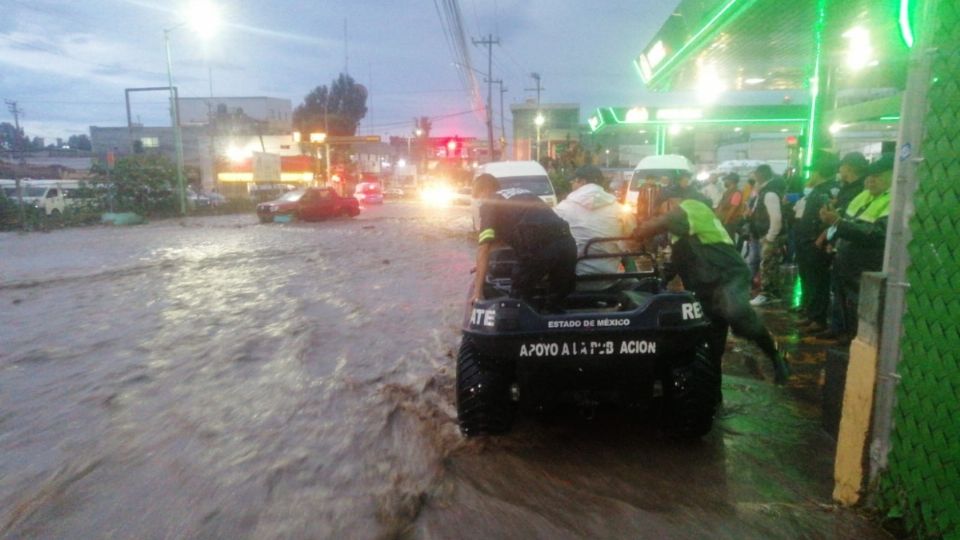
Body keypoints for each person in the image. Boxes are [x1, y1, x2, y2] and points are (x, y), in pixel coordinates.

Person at [633, 195, 791, 385]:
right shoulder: (682, 230)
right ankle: (714, 391)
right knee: (712, 340)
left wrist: (638, 231)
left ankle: (776, 356)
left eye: (665, 208)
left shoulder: (692, 205)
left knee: (737, 315)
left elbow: (664, 221)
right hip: (705, 285)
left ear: (673, 201)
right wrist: (660, 281)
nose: (665, 213)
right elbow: (677, 261)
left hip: (727, 274)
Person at [472, 173, 577, 310]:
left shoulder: (490, 202)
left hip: (537, 249)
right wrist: (482, 263)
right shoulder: (522, 193)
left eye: (478, 197)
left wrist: (477, 293)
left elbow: (483, 248)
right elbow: (504, 238)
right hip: (567, 244)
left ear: (484, 190)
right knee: (556, 301)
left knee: (518, 301)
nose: (479, 201)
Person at [818, 154, 893, 343]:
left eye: (877, 176)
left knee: (858, 305)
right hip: (845, 259)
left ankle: (855, 338)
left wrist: (836, 221)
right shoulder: (864, 195)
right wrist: (832, 239)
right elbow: (844, 218)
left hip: (865, 265)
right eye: (869, 176)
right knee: (841, 298)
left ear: (893, 174)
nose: (870, 180)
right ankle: (839, 330)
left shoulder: (893, 200)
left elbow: (876, 234)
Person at [554, 165, 635, 290]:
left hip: (574, 277)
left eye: (573, 181)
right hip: (610, 277)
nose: (572, 185)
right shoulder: (618, 208)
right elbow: (631, 235)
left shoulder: (562, 209)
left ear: (582, 181)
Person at [795, 159, 838, 334]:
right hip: (807, 240)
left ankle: (818, 318)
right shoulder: (817, 191)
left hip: (815, 242)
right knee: (809, 279)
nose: (810, 176)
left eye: (812, 172)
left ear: (818, 173)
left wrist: (820, 240)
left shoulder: (826, 191)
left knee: (819, 281)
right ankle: (812, 314)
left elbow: (828, 219)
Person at [747, 164, 786, 306]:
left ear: (762, 174)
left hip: (769, 236)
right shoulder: (764, 191)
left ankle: (767, 294)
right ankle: (774, 294)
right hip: (764, 234)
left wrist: (770, 237)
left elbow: (776, 218)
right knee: (771, 265)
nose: (754, 177)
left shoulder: (769, 193)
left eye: (756, 174)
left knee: (767, 266)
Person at [715, 173, 744, 240]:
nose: (724, 182)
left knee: (729, 240)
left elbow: (732, 209)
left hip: (729, 222)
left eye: (726, 180)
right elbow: (721, 205)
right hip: (723, 220)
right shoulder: (727, 192)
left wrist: (725, 222)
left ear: (731, 181)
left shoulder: (736, 193)